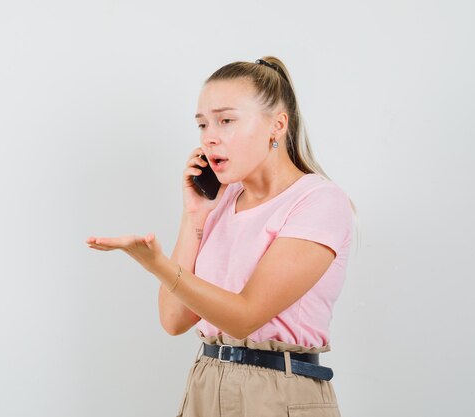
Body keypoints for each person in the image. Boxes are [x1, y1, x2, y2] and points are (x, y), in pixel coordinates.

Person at [86, 56, 357, 417]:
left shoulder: (319, 202)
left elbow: (246, 316)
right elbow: (174, 319)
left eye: (226, 120)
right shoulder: (221, 200)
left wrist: (157, 266)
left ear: (276, 126)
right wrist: (194, 214)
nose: (209, 137)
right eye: (202, 124)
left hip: (279, 392)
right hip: (206, 380)